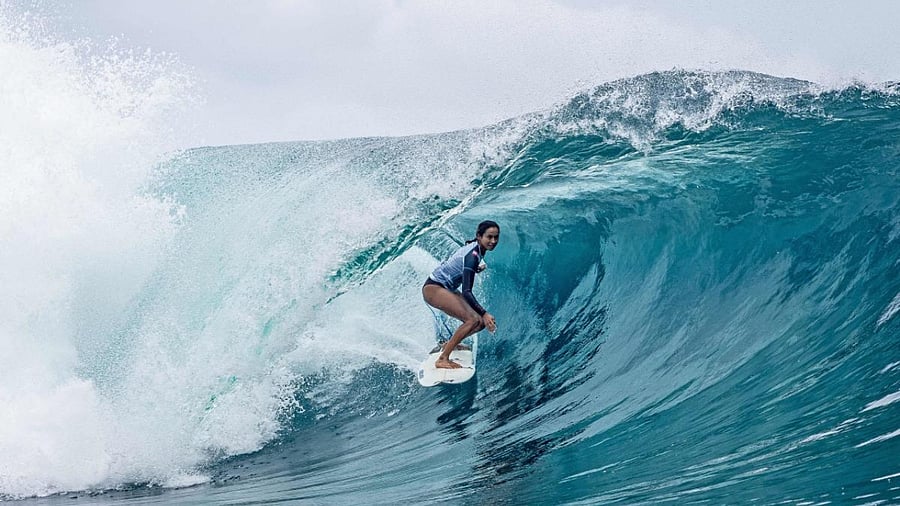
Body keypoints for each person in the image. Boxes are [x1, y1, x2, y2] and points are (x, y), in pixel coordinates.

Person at [422, 220, 500, 369]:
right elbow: (467, 291)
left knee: (480, 322)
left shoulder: (475, 250)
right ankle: (443, 358)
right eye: (489, 237)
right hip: (434, 288)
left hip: (446, 287)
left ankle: (449, 344)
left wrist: (474, 269)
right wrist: (484, 312)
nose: (493, 241)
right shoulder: (473, 256)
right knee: (472, 320)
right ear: (479, 236)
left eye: (496, 237)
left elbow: (460, 263)